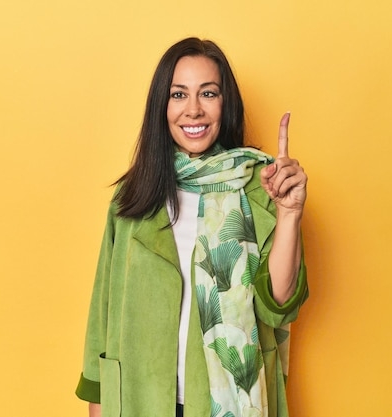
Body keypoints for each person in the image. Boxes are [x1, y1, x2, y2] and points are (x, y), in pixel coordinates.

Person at [75, 37, 308, 417]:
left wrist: (290, 214)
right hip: (138, 402)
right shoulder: (131, 197)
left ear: (225, 103)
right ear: (161, 107)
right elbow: (102, 315)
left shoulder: (259, 187)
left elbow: (278, 306)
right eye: (179, 95)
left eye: (209, 93)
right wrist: (98, 403)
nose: (194, 110)